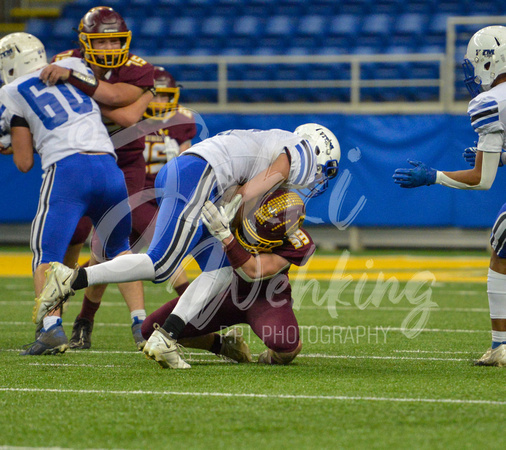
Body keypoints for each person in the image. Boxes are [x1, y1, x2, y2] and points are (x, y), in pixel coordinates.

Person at [36, 123, 341, 368]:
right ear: (317, 150)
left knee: (219, 271)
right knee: (161, 264)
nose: (318, 180)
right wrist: (232, 209)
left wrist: (228, 223)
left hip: (199, 175)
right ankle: (72, 278)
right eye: (325, 169)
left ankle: (166, 336)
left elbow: (246, 186)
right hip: (201, 175)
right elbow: (253, 186)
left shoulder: (272, 144)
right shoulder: (300, 152)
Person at [0, 32, 149, 355]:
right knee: (120, 250)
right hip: (110, 167)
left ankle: (51, 328)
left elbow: (24, 162)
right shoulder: (72, 65)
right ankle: (141, 324)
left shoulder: (10, 91)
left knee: (47, 254)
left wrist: (8, 143)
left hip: (69, 171)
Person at [393, 25, 506, 367]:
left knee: (500, 250)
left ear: (490, 62)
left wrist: (433, 177)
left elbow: (480, 180)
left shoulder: (491, 102)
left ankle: (501, 346)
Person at [47, 6, 156, 350]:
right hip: (77, 158)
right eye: (102, 41)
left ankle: (139, 321)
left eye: (115, 41)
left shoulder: (139, 70)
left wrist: (80, 94)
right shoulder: (66, 60)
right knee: (72, 237)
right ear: (85, 42)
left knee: (115, 239)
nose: (109, 48)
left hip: (124, 161)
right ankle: (54, 321)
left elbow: (125, 115)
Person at [141, 189, 315, 366]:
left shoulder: (297, 242)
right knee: (151, 329)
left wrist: (226, 236)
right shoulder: (240, 205)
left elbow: (253, 271)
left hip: (265, 299)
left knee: (287, 347)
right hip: (222, 294)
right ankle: (224, 346)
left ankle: (269, 358)